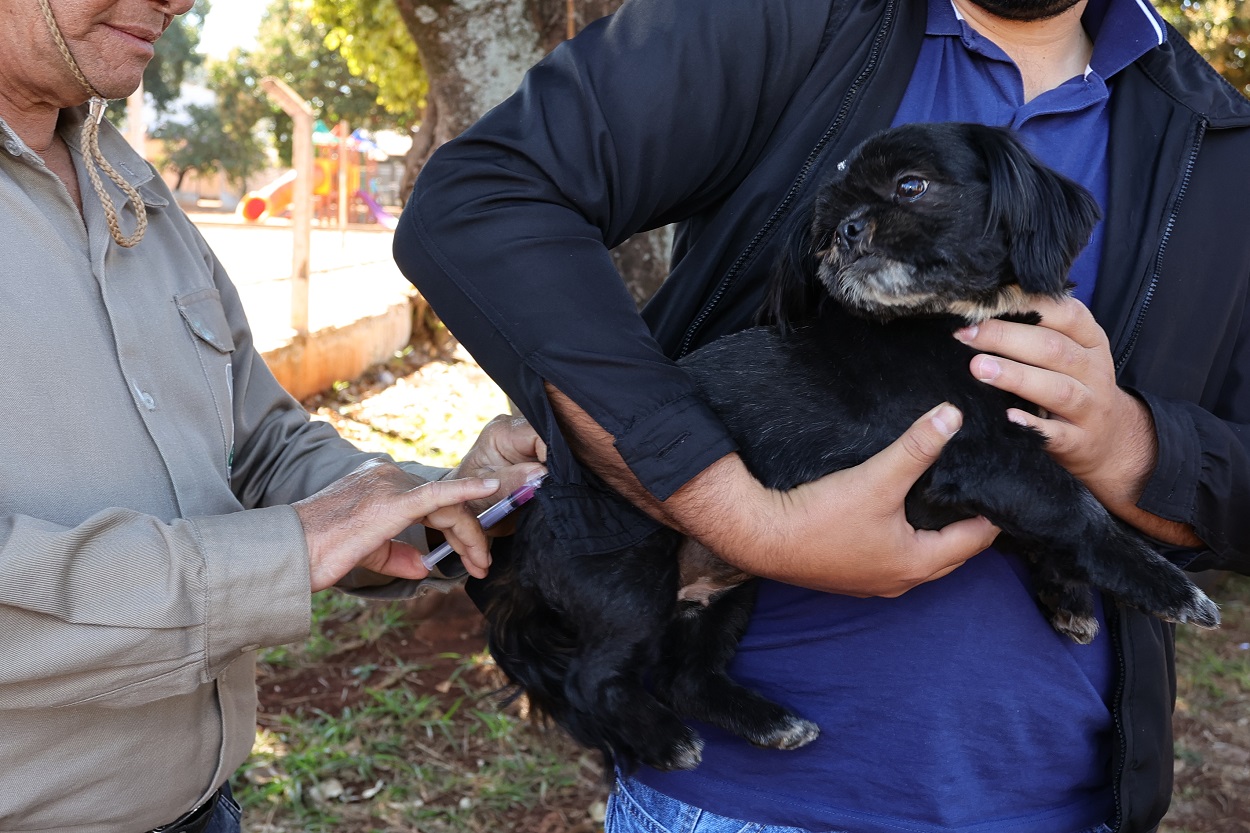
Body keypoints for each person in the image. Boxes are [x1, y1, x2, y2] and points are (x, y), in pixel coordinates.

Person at [392, 0, 1250, 830]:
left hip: (1067, 797)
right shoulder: (779, 19)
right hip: (736, 805)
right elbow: (478, 196)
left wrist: (1134, 446)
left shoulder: (1222, 141)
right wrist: (739, 516)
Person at [0, 1, 547, 832]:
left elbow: (255, 444)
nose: (180, 2)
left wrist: (435, 497)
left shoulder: (128, 187)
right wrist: (286, 550)